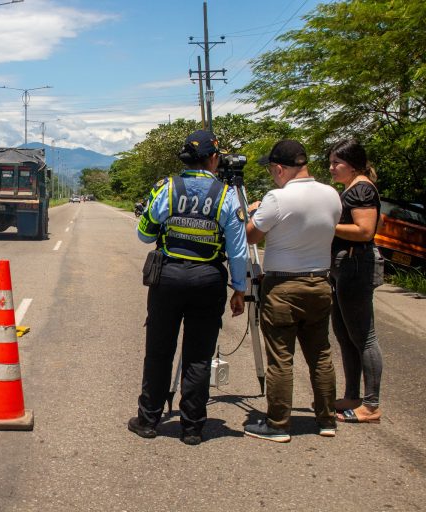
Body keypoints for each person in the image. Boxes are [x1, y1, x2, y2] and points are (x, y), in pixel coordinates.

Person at [128, 130, 248, 445]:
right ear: (213, 158)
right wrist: (240, 288)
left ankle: (148, 420)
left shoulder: (166, 189)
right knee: (198, 355)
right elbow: (237, 250)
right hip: (208, 280)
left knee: (158, 352)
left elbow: (144, 234)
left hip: (167, 278)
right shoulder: (227, 195)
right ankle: (192, 427)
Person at [243, 140, 342, 442]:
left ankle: (278, 423)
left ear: (279, 168)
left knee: (281, 357)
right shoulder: (332, 195)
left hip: (284, 286)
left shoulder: (277, 198)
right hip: (320, 283)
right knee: (321, 354)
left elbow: (251, 236)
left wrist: (252, 212)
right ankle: (326, 419)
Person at [328, 139, 383, 424]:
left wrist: (326, 224)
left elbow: (364, 230)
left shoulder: (362, 189)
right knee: (345, 333)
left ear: (354, 164)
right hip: (343, 269)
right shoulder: (351, 187)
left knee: (364, 336)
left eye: (337, 163)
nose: (332, 168)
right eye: (331, 162)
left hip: (356, 266)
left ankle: (371, 405)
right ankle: (352, 395)